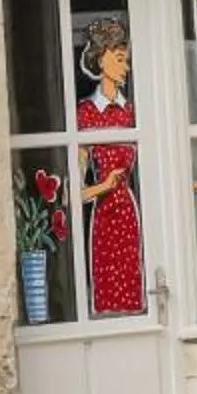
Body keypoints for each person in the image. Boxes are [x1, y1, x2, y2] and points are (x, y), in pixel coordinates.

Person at [74, 17, 144, 317]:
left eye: (126, 61)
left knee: (135, 288)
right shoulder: (86, 114)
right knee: (107, 300)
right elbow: (75, 193)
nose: (125, 67)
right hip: (103, 219)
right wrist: (104, 186)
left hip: (130, 215)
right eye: (119, 59)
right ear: (102, 59)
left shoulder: (133, 111)